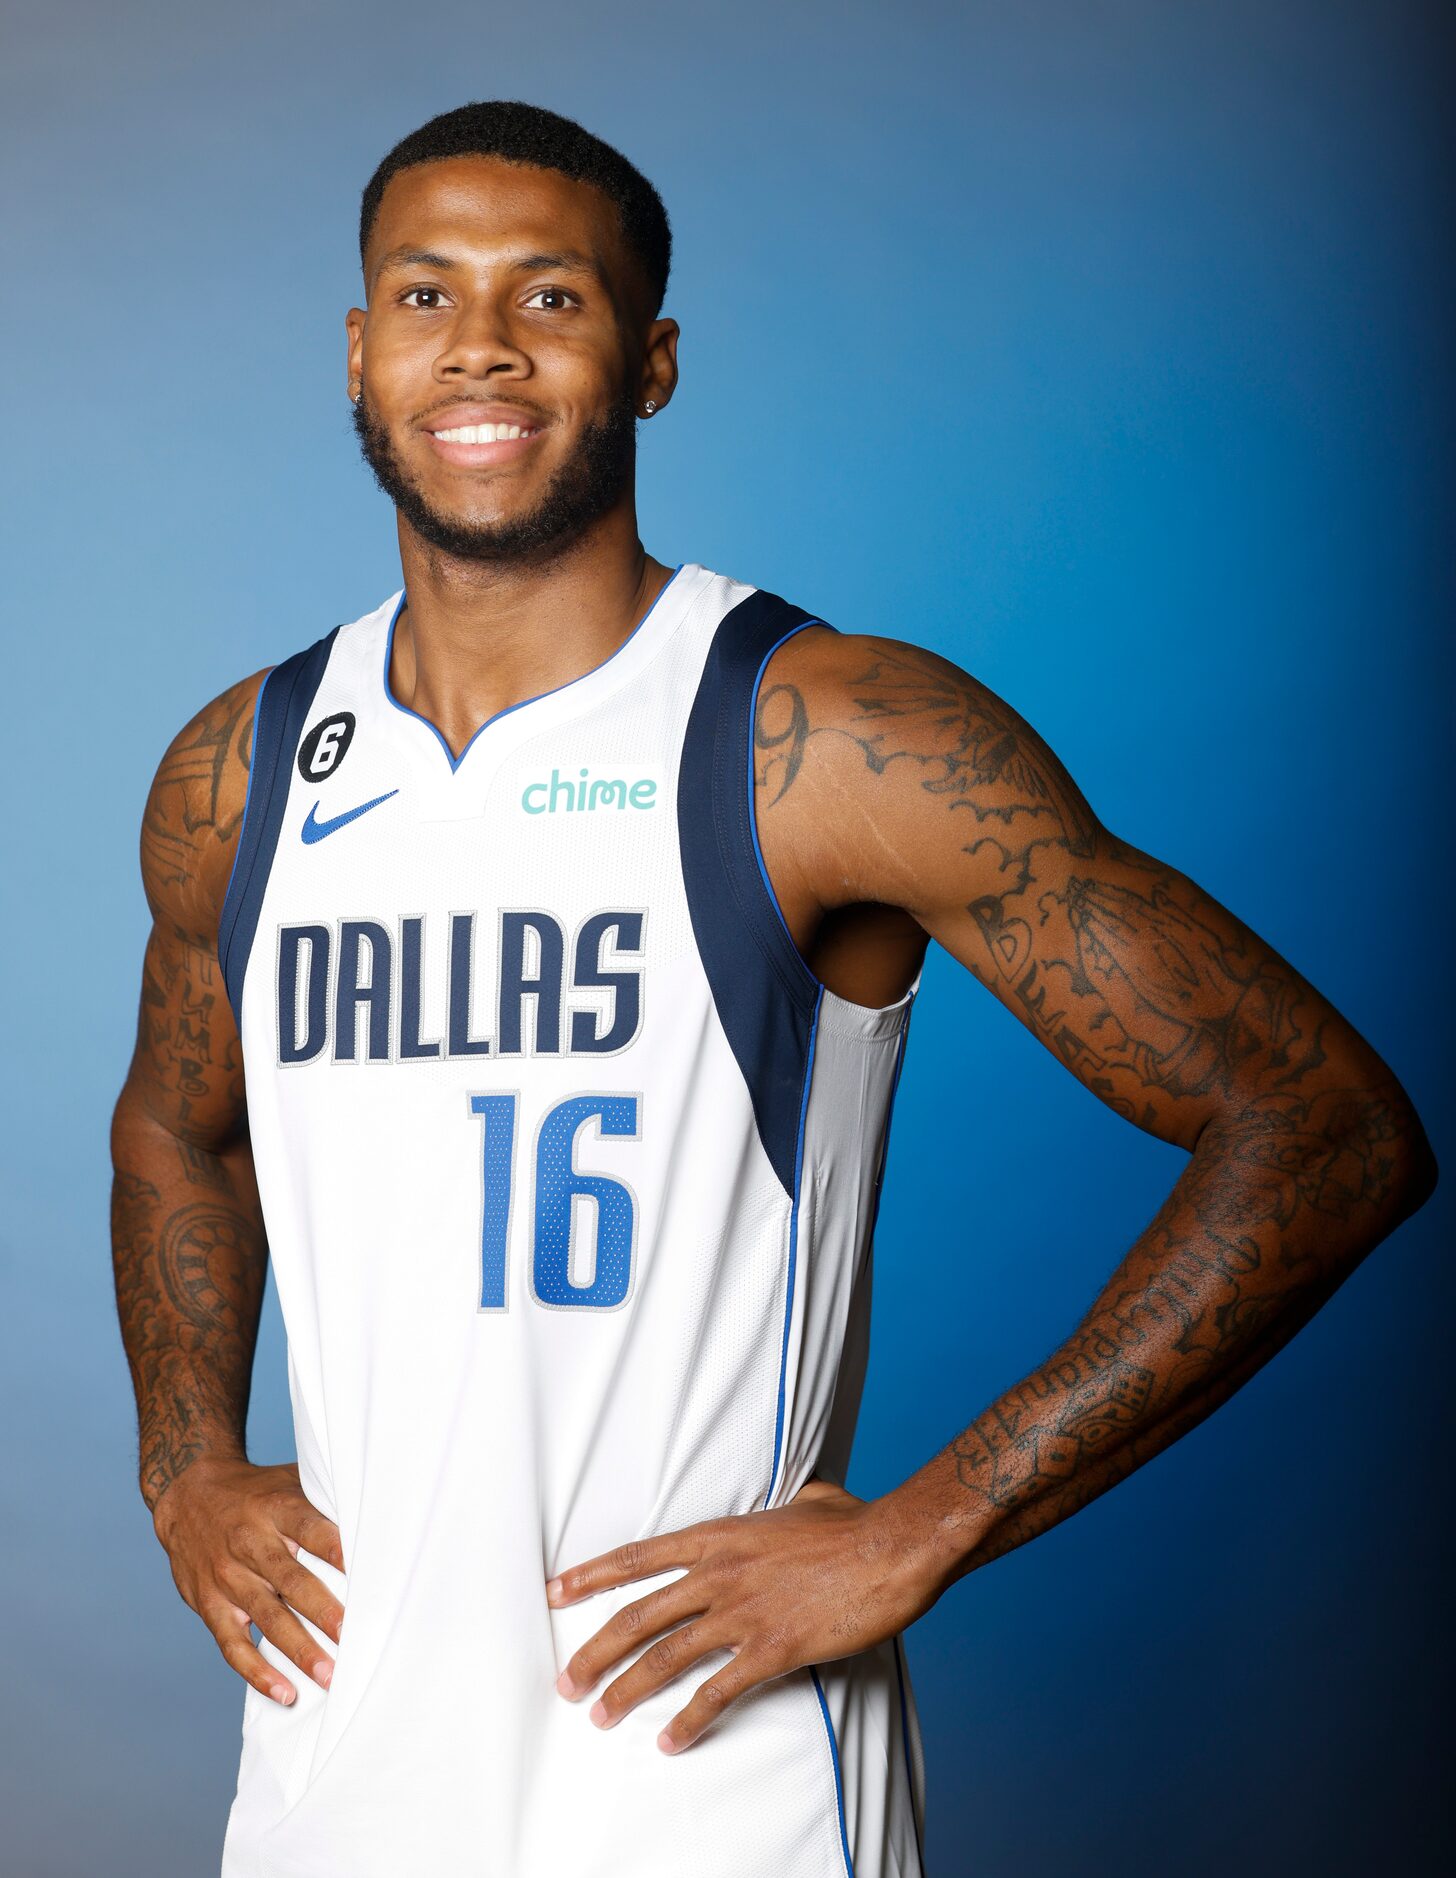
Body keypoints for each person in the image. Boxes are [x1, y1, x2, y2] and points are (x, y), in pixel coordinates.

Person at [110, 99, 1437, 1878]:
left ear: (650, 363)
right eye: (424, 296)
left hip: (710, 1776)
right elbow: (174, 1135)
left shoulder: (819, 741)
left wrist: (920, 1529)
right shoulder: (243, 771)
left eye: (553, 299)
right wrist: (186, 1463)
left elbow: (1326, 1126)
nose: (481, 345)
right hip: (336, 1771)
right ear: (360, 351)